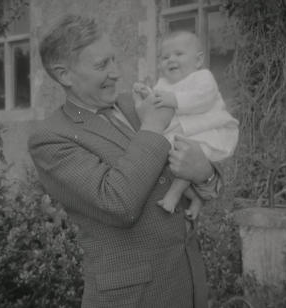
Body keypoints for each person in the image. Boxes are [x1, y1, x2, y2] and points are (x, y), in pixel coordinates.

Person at [28, 15, 223, 308]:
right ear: (64, 75)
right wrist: (153, 128)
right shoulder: (52, 137)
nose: (116, 73)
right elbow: (118, 204)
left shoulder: (136, 104)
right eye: (101, 65)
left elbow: (206, 158)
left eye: (114, 60)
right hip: (133, 298)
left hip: (188, 284)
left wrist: (206, 174)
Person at [134, 30, 238, 219]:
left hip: (207, 130)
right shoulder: (164, 82)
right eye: (165, 57)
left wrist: (173, 99)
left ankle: (173, 196)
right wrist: (147, 94)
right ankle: (195, 198)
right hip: (181, 132)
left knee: (186, 159)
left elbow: (203, 99)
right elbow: (157, 103)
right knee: (169, 165)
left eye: (179, 54)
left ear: (197, 61)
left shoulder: (203, 77)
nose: (171, 60)